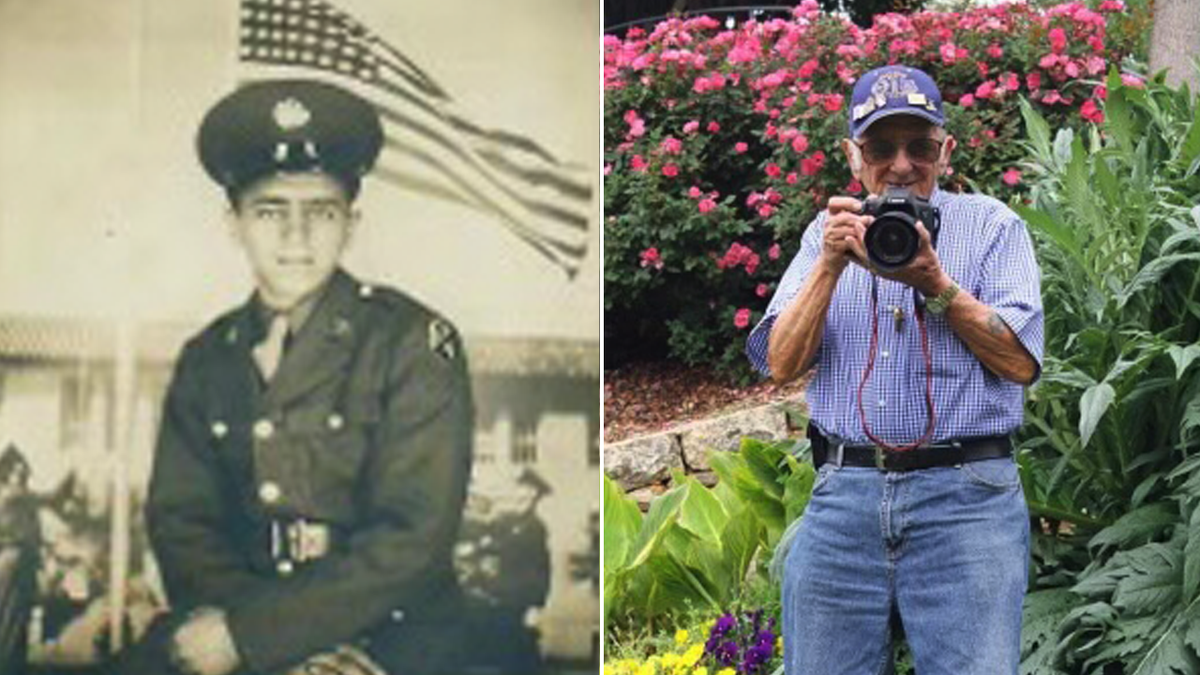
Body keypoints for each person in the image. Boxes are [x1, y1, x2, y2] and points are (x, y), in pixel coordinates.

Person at [118, 78, 474, 675]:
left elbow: (412, 538)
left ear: (351, 224)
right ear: (233, 223)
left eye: (321, 211)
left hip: (392, 633)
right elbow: (182, 524)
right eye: (269, 211)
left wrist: (262, 635)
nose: (296, 235)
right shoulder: (206, 358)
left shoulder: (412, 343)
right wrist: (249, 643)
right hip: (227, 629)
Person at [746, 65, 1043, 675]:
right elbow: (780, 363)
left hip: (969, 499)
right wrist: (830, 265)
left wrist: (934, 285)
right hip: (843, 498)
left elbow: (1019, 362)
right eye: (882, 148)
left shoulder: (992, 227)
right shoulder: (825, 237)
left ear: (947, 151)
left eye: (920, 147)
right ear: (854, 157)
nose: (903, 165)